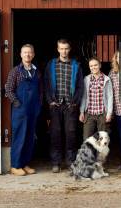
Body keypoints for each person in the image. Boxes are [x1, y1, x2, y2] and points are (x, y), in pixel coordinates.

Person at [44, 39, 84, 173]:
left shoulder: (76, 65)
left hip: (70, 105)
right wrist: (50, 101)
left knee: (71, 134)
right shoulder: (51, 65)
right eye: (61, 48)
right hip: (55, 105)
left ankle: (71, 161)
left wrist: (75, 102)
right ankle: (56, 162)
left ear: (70, 49)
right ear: (57, 49)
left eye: (66, 48)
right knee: (55, 134)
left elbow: (80, 86)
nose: (64, 51)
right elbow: (46, 85)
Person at [4, 44, 42, 176]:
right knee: (19, 138)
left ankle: (24, 164)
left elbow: (40, 91)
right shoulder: (15, 71)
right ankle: (15, 166)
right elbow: (8, 90)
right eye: (25, 52)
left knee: (29, 138)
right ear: (20, 54)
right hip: (20, 111)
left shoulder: (36, 72)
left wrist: (39, 105)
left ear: (33, 54)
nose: (27, 55)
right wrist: (17, 103)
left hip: (32, 111)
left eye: (30, 52)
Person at [79, 56, 113, 140]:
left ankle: (101, 154)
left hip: (102, 114)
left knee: (103, 140)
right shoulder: (86, 79)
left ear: (100, 65)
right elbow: (84, 97)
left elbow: (110, 97)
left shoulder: (106, 79)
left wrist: (109, 113)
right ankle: (89, 153)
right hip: (89, 114)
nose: (93, 67)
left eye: (95, 65)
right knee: (87, 139)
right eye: (91, 66)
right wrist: (82, 112)